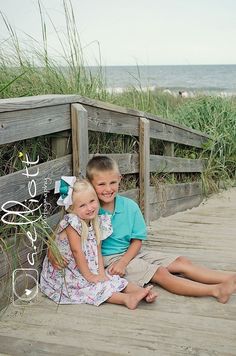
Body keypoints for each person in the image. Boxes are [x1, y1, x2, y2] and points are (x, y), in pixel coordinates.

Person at [49, 157, 236, 304]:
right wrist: (52, 252)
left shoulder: (129, 206)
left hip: (130, 254)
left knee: (181, 261)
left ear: (120, 179)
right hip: (109, 260)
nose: (108, 189)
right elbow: (62, 233)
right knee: (161, 273)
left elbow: (137, 240)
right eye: (101, 184)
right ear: (90, 184)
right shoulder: (87, 210)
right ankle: (215, 290)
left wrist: (125, 260)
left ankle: (231, 279)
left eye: (112, 182)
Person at [41, 177, 157, 309]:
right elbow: (76, 252)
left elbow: (98, 251)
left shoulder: (97, 221)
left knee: (110, 278)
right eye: (82, 205)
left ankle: (141, 292)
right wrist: (90, 276)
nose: (89, 208)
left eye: (92, 201)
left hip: (85, 267)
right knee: (91, 287)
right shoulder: (71, 222)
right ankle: (126, 299)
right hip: (67, 273)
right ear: (72, 208)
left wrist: (101, 272)